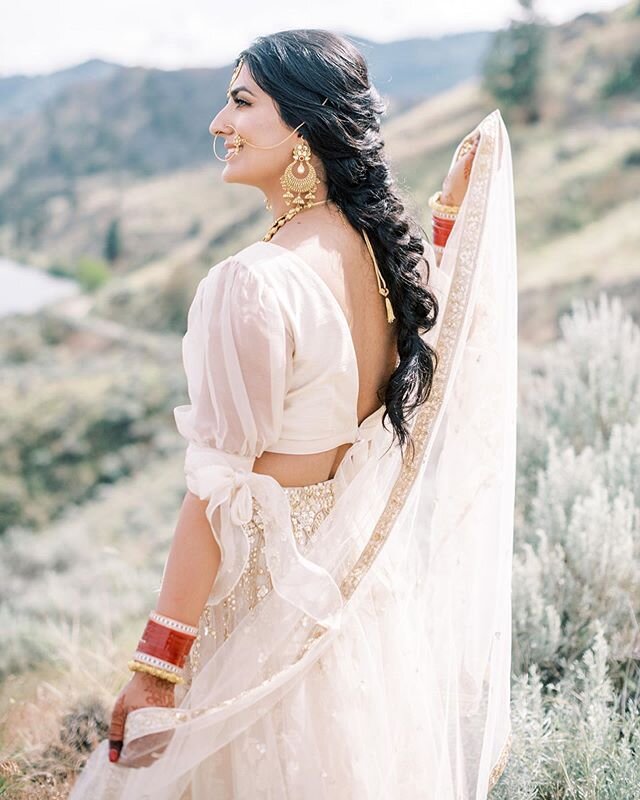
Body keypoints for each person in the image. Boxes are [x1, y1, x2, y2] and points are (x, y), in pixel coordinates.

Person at [69, 28, 517, 800]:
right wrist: (448, 221)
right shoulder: (382, 263)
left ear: (305, 129)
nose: (219, 123)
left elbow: (217, 498)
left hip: (260, 615)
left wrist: (157, 670)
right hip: (356, 616)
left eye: (242, 102)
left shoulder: (256, 283)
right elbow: (449, 336)